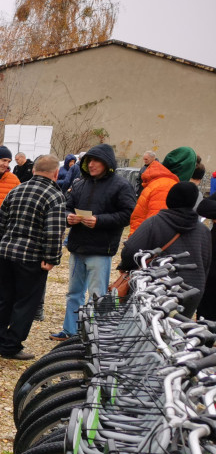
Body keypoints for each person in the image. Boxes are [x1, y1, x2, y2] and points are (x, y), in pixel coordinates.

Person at [50, 143, 136, 342]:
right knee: (74, 293)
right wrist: (68, 216)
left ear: (107, 163)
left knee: (96, 295)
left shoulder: (121, 185)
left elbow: (127, 214)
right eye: (89, 161)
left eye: (96, 160)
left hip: (100, 249)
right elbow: (66, 206)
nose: (91, 164)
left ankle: (92, 335)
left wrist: (99, 220)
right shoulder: (80, 183)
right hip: (77, 246)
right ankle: (70, 331)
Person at [0, 155, 66, 360]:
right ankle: (11, 346)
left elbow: (2, 221)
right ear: (56, 173)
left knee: (4, 298)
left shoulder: (16, 190)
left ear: (33, 170)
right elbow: (54, 231)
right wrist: (52, 257)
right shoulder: (54, 195)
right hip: (31, 257)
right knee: (25, 303)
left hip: (7, 252)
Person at [119, 182, 211, 318]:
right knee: (176, 333)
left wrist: (126, 266)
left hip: (155, 289)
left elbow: (130, 252)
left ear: (169, 199)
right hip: (191, 292)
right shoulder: (203, 231)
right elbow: (206, 264)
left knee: (144, 332)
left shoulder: (154, 222)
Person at [129, 146, 197, 235]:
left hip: (143, 239)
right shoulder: (167, 186)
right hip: (148, 244)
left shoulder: (163, 181)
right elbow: (157, 226)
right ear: (186, 169)